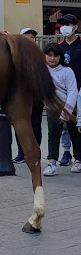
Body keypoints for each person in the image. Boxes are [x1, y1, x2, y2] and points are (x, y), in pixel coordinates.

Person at [42, 43, 81, 176]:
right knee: (53, 134)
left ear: (60, 57)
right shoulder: (42, 70)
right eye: (49, 55)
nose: (52, 58)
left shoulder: (67, 71)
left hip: (70, 107)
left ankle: (78, 160)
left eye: (55, 55)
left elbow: (72, 91)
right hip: (52, 107)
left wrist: (66, 111)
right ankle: (52, 162)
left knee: (75, 133)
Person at [12, 28, 43, 163]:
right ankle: (21, 152)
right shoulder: (15, 55)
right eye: (28, 37)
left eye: (33, 37)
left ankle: (35, 151)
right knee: (20, 124)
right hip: (20, 97)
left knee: (35, 125)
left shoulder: (40, 55)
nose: (31, 39)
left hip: (35, 96)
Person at [58, 14, 81, 166]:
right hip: (63, 91)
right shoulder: (59, 47)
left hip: (79, 91)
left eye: (68, 24)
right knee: (65, 124)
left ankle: (78, 157)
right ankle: (66, 152)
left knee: (77, 125)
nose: (65, 26)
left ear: (75, 27)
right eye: (63, 24)